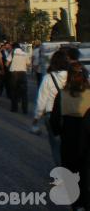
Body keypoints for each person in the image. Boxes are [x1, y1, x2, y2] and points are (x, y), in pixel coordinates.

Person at [59, 61, 90, 209]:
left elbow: (54, 120)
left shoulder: (62, 94)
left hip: (69, 136)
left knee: (71, 174)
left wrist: (59, 131)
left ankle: (77, 204)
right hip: (87, 137)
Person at [31, 50, 69, 166]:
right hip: (70, 114)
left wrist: (36, 118)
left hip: (51, 114)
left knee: (55, 145)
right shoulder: (72, 76)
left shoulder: (48, 78)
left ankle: (61, 172)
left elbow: (41, 100)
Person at [7, 43, 31, 114]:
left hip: (14, 74)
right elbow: (28, 64)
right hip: (23, 74)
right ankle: (25, 109)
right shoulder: (25, 53)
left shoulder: (12, 53)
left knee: (14, 92)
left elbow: (7, 63)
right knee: (24, 93)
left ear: (14, 47)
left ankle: (14, 108)